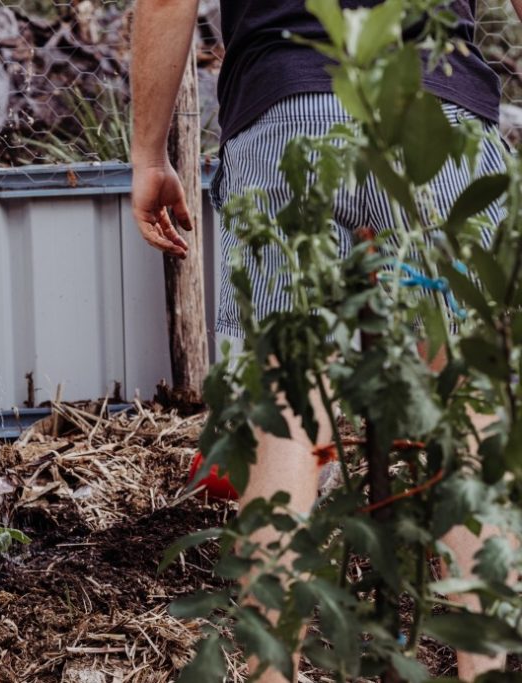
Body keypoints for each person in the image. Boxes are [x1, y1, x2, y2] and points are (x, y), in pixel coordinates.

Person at [130, 0, 517, 680]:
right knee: (464, 409)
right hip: (437, 109)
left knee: (283, 405)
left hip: (288, 109)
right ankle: (489, 668)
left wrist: (148, 152)